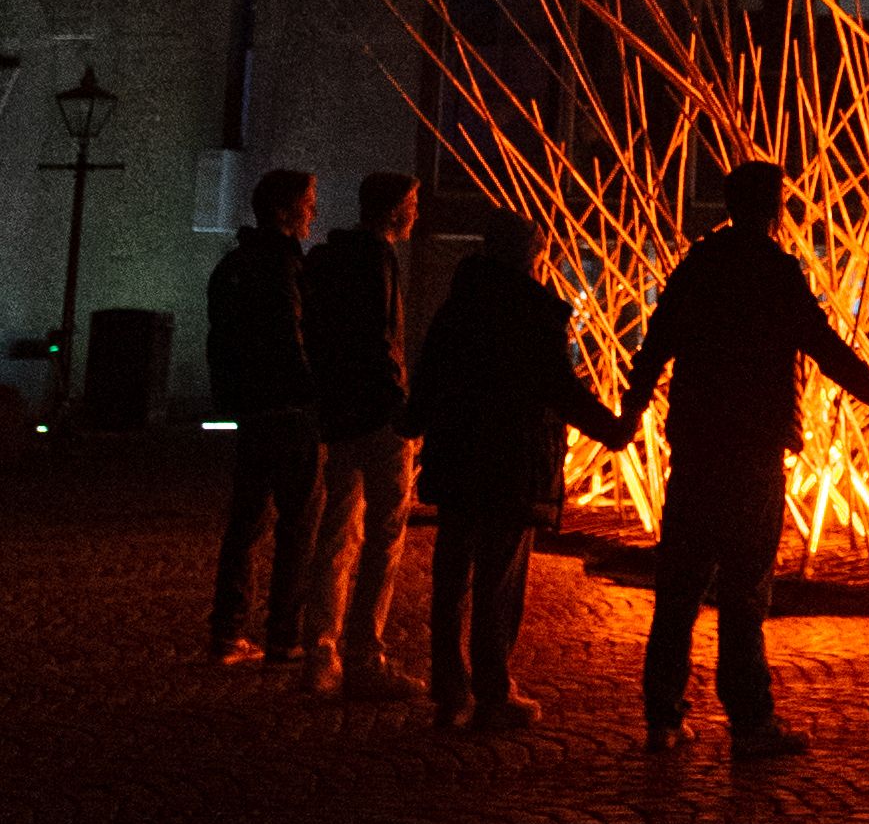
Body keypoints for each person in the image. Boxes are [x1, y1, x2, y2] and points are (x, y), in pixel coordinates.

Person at [622, 159, 869, 762]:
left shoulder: (699, 267)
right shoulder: (774, 271)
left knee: (679, 589)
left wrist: (626, 416)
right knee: (745, 590)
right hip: (752, 451)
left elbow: (656, 346)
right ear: (773, 208)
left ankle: (663, 718)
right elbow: (826, 349)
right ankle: (749, 722)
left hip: (696, 448)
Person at [411, 206, 632, 730]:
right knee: (499, 579)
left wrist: (414, 420)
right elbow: (557, 386)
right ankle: (493, 691)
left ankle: (449, 687)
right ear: (532, 252)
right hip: (510, 462)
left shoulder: (458, 304)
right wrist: (612, 428)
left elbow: (431, 372)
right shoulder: (534, 310)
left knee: (452, 576)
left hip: (460, 456)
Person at [296, 172, 423, 701]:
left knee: (335, 532)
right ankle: (365, 654)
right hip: (378, 417)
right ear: (395, 210)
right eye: (412, 205)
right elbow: (382, 343)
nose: (417, 214)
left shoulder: (328, 261)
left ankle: (319, 652)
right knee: (383, 537)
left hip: (339, 414)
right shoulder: (378, 260)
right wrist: (403, 409)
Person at [206, 168, 322, 666]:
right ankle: (283, 636)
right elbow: (291, 338)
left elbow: (221, 338)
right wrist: (313, 391)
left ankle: (229, 631)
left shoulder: (233, 264)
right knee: (299, 523)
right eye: (307, 203)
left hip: (251, 408)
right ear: (283, 211)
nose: (312, 213)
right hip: (289, 411)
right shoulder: (284, 267)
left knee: (247, 521)